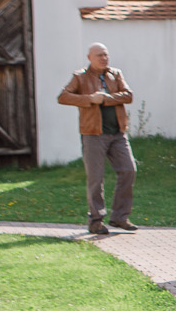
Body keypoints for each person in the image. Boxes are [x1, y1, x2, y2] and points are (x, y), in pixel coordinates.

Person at [56, 42, 137, 234]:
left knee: (129, 170)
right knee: (96, 178)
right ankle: (96, 220)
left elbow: (128, 95)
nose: (104, 58)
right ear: (89, 58)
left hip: (118, 133)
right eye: (99, 55)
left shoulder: (115, 74)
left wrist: (106, 99)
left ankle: (120, 217)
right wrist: (89, 99)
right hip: (93, 134)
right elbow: (63, 97)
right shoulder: (80, 77)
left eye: (106, 54)